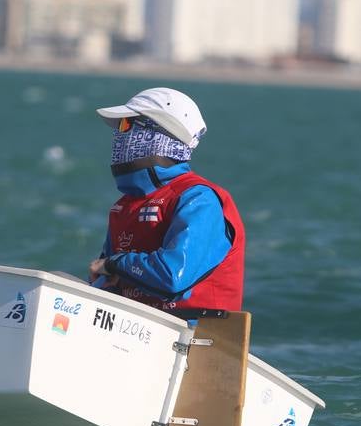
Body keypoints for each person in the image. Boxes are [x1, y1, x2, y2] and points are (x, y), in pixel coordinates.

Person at [87, 87, 245, 317]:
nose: (119, 136)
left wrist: (115, 264)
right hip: (132, 332)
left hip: (196, 340)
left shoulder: (199, 199)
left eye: (125, 125)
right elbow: (105, 280)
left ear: (161, 133)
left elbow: (173, 276)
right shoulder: (125, 206)